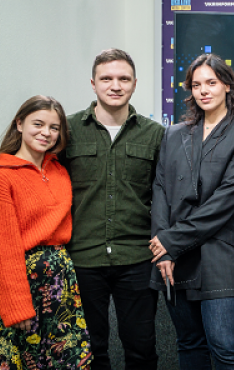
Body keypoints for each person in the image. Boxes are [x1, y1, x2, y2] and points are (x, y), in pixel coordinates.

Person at [149, 53, 234, 370]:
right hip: (173, 259)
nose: (203, 90)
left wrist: (171, 240)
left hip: (218, 254)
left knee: (226, 347)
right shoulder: (173, 134)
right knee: (189, 345)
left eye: (211, 83)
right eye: (196, 84)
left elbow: (224, 201)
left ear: (227, 85)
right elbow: (160, 189)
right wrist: (161, 247)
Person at [61, 49, 164, 370]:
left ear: (135, 83)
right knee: (89, 351)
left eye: (123, 79)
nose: (115, 86)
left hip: (137, 257)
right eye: (106, 78)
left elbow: (164, 195)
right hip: (82, 257)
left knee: (142, 348)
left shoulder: (155, 134)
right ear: (93, 83)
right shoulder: (67, 130)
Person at [0, 95, 93, 368]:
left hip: (60, 285)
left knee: (67, 360)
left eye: (54, 127)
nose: (46, 133)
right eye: (38, 124)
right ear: (19, 124)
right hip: (22, 286)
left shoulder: (59, 171)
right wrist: (16, 305)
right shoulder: (1, 176)